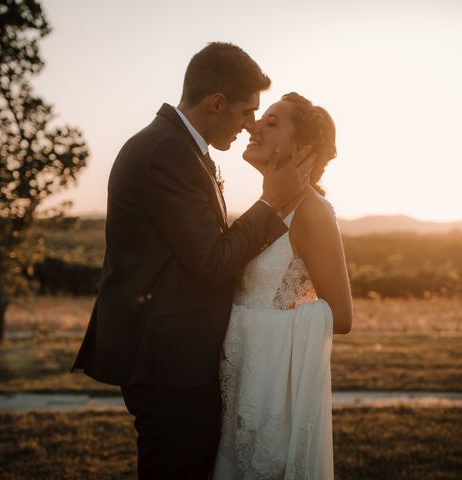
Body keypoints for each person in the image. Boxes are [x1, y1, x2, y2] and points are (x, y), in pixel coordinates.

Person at [72, 43, 314, 480]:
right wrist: (271, 201)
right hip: (169, 363)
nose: (249, 126)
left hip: (172, 357)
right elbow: (210, 263)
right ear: (216, 103)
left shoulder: (177, 146)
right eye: (246, 113)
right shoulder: (167, 150)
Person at [212, 92, 353, 479]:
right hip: (239, 385)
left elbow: (340, 315)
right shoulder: (267, 206)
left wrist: (248, 324)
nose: (253, 125)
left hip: (270, 390)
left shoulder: (312, 211)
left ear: (301, 149)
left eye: (272, 122)